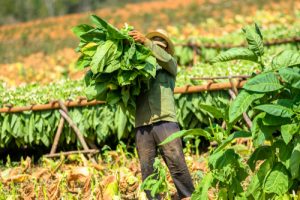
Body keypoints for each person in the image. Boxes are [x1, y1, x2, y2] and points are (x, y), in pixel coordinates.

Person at [129, 29, 195, 200]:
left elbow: (166, 60)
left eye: (158, 47)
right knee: (147, 166)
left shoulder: (170, 65)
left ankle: (188, 196)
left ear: (164, 49)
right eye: (152, 46)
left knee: (176, 160)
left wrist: (146, 42)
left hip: (165, 120)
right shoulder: (141, 70)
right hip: (142, 123)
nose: (153, 51)